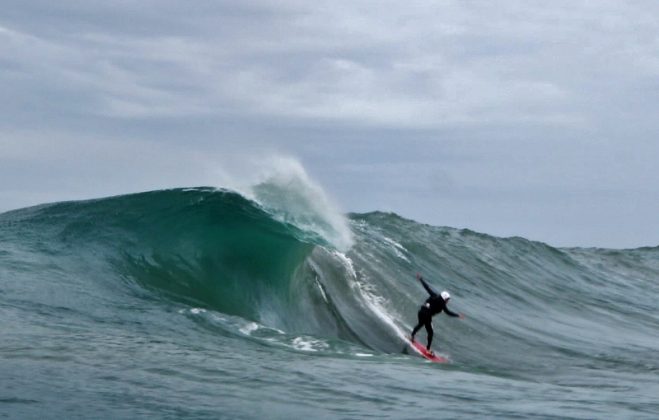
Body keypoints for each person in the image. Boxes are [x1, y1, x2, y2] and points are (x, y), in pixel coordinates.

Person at [410, 273, 464, 355]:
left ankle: (412, 336)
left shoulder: (434, 295)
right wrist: (458, 315)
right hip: (427, 316)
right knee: (430, 333)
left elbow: (427, 288)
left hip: (421, 312)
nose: (448, 301)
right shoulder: (442, 304)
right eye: (448, 299)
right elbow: (448, 313)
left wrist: (421, 279)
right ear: (445, 298)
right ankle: (427, 349)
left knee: (420, 324)